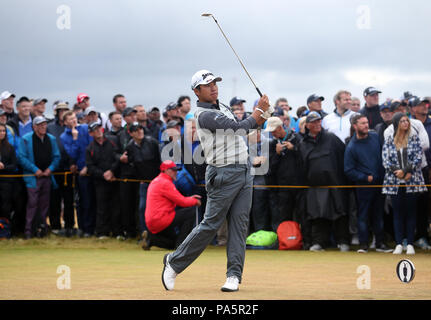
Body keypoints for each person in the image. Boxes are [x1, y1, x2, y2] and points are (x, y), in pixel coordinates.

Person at [161, 69, 270, 292]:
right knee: (210, 225)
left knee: (239, 227)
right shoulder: (204, 115)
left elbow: (249, 129)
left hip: (243, 169)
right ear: (196, 91)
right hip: (223, 173)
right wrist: (258, 110)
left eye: (215, 83)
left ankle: (233, 276)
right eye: (208, 84)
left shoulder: (223, 108)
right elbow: (239, 128)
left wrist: (264, 114)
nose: (213, 87)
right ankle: (174, 262)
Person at [298, 111, 350, 252]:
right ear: (307, 125)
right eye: (314, 122)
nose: (317, 124)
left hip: (335, 183)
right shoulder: (303, 144)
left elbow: (343, 156)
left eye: (319, 121)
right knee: (318, 216)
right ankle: (319, 242)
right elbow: (302, 166)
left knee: (340, 213)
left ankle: (343, 241)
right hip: (314, 186)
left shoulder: (331, 138)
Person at [344, 114, 392, 253]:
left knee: (378, 214)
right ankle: (363, 244)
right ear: (355, 126)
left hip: (379, 183)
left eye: (367, 122)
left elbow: (384, 155)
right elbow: (348, 170)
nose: (366, 125)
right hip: (364, 186)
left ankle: (380, 243)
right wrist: (365, 178)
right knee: (363, 215)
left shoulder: (375, 137)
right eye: (362, 123)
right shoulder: (351, 146)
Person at [382, 113, 427, 255]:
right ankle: (399, 243)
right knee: (397, 214)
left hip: (411, 180)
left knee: (411, 213)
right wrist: (398, 172)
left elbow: (418, 158)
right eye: (402, 121)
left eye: (406, 121)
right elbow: (385, 159)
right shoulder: (389, 139)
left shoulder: (414, 138)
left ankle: (411, 244)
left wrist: (407, 171)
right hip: (395, 181)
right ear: (396, 123)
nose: (405, 123)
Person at [18, 116, 60, 239]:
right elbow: (21, 157)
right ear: (34, 127)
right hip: (32, 178)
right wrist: (34, 169)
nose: (43, 127)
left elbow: (57, 157)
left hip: (46, 177)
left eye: (44, 124)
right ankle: (28, 231)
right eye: (40, 125)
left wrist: (50, 169)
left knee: (44, 204)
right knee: (32, 204)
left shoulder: (51, 139)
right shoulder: (26, 139)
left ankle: (41, 229)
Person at [143, 160, 201, 249]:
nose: (176, 172)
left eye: (176, 170)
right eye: (173, 170)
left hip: (153, 221)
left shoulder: (157, 180)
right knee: (191, 212)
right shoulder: (165, 183)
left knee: (172, 243)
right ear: (165, 170)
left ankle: (151, 239)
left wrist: (190, 198)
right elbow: (182, 202)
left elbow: (178, 198)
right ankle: (181, 245)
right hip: (162, 219)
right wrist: (195, 201)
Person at [264, 117, 304, 232]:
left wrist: (294, 149)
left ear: (280, 127)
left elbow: (304, 159)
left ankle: (302, 241)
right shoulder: (272, 145)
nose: (272, 134)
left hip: (299, 185)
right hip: (282, 187)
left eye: (273, 131)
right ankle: (285, 241)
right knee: (283, 215)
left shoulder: (297, 139)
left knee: (301, 214)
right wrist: (277, 154)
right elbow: (270, 168)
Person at [61, 110, 96, 237]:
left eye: (74, 117)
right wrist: (75, 139)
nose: (73, 120)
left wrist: (88, 165)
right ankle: (84, 228)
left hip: (91, 168)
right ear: (65, 122)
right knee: (83, 201)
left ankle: (93, 228)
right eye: (70, 119)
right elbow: (72, 154)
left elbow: (92, 147)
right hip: (80, 173)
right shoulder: (64, 136)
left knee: (93, 200)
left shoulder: (86, 128)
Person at [124, 122, 161, 239]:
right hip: (144, 183)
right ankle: (145, 234)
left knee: (158, 209)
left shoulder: (152, 142)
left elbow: (160, 161)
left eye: (141, 129)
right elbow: (132, 164)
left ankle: (158, 235)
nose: (140, 131)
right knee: (142, 208)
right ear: (131, 133)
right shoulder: (130, 147)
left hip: (157, 182)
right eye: (136, 130)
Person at [86, 121, 121, 239]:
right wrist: (103, 175)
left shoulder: (113, 140)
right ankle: (102, 232)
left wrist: (111, 171)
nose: (98, 131)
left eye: (99, 128)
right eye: (94, 130)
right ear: (91, 133)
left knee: (116, 206)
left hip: (114, 178)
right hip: (100, 181)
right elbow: (90, 167)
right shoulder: (90, 148)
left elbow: (118, 158)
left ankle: (117, 232)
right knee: (102, 207)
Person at [47, 101, 75, 237]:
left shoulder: (73, 127)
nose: (62, 112)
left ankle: (69, 226)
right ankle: (55, 226)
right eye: (60, 110)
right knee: (54, 199)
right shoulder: (50, 127)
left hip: (69, 169)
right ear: (57, 113)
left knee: (69, 199)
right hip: (54, 168)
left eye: (65, 110)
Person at [408, 97, 431, 250]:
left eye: (425, 104)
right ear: (412, 109)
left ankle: (424, 236)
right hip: (414, 170)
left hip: (429, 170)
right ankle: (416, 237)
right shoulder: (407, 124)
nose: (424, 107)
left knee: (427, 205)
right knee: (415, 205)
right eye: (419, 105)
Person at [0, 123, 17, 222]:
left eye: (3, 131)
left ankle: (4, 229)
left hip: (6, 182)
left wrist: (4, 167)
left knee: (5, 205)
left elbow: (14, 165)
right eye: (0, 131)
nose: (2, 133)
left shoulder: (9, 147)